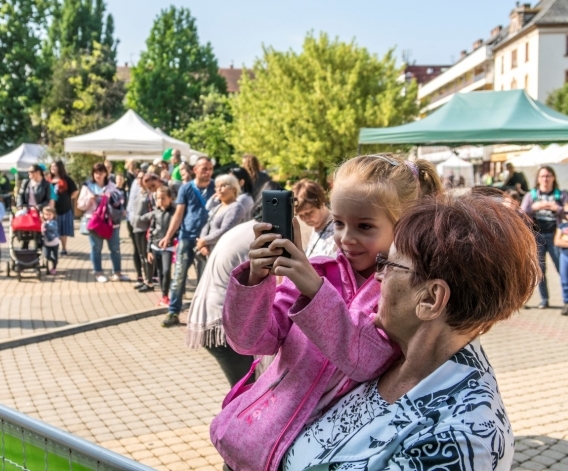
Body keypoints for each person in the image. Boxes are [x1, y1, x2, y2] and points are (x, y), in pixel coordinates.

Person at [211, 154, 442, 471]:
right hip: (251, 444)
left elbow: (364, 361)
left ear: (404, 227)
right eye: (339, 222)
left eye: (364, 226)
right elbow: (247, 341)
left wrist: (315, 292)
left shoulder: (404, 294)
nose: (347, 238)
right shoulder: (318, 271)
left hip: (313, 459)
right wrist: (256, 279)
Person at [277, 193, 539, 470]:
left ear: (430, 298)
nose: (377, 276)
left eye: (388, 265)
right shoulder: (389, 357)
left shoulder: (458, 440)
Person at [186, 213, 260, 387]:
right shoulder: (261, 237)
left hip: (209, 312)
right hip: (220, 322)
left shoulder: (246, 227)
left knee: (245, 389)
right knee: (246, 391)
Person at [160, 157, 216, 327]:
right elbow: (178, 214)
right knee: (179, 276)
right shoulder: (186, 188)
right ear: (195, 170)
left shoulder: (217, 187)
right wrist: (168, 236)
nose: (207, 172)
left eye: (210, 168)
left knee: (204, 279)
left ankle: (201, 315)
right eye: (204, 168)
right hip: (187, 237)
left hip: (207, 240)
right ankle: (173, 312)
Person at [521, 166, 568, 309]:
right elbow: (520, 214)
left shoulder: (561, 195)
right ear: (538, 179)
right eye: (542, 176)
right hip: (537, 237)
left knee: (563, 269)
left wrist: (557, 208)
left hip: (555, 236)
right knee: (540, 271)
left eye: (548, 176)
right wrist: (533, 208)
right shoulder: (531, 195)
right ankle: (545, 300)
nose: (545, 179)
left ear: (553, 177)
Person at [77, 162, 129, 283]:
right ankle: (98, 272)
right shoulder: (87, 186)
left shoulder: (112, 186)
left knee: (115, 248)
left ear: (106, 173)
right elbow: (80, 205)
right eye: (96, 173)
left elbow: (119, 202)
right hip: (95, 222)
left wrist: (112, 198)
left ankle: (117, 272)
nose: (98, 176)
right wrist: (90, 199)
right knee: (96, 248)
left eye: (101, 173)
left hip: (111, 222)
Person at [196, 174, 245, 270]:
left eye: (223, 186)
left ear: (233, 189)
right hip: (210, 252)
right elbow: (207, 225)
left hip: (225, 255)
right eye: (217, 187)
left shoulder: (236, 207)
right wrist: (203, 245)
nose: (219, 189)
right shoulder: (218, 206)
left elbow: (225, 230)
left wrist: (204, 241)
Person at [142, 186, 177, 305]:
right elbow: (151, 231)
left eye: (163, 198)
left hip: (168, 246)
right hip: (155, 247)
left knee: (167, 271)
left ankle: (167, 295)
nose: (160, 201)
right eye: (158, 198)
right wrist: (149, 250)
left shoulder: (175, 213)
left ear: (170, 198)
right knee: (160, 271)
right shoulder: (156, 212)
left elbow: (178, 229)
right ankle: (164, 296)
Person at [292, 179, 337, 258]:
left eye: (309, 212)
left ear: (321, 202)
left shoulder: (337, 229)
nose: (306, 218)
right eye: (301, 215)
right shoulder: (317, 227)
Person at [130, 172, 155, 292]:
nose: (140, 181)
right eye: (138, 178)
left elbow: (155, 211)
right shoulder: (140, 193)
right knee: (141, 256)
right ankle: (145, 280)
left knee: (147, 256)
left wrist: (142, 218)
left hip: (145, 228)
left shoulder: (151, 195)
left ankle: (149, 282)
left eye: (143, 179)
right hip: (136, 228)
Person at [49, 161, 78, 255]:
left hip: (64, 208)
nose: (52, 168)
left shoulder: (66, 179)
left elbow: (75, 191)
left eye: (55, 166)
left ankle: (64, 248)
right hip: (51, 209)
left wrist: (68, 198)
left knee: (63, 230)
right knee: (52, 229)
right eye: (51, 166)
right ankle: (53, 248)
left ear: (60, 167)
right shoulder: (48, 180)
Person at [41, 207, 60, 275]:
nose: (48, 216)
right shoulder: (44, 223)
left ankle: (54, 267)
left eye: (49, 214)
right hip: (47, 243)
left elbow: (51, 227)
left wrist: (44, 224)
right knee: (47, 256)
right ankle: (53, 261)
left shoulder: (54, 222)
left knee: (55, 255)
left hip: (54, 242)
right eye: (46, 214)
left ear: (53, 215)